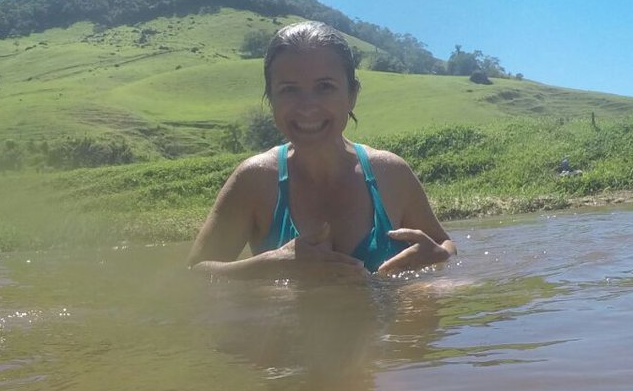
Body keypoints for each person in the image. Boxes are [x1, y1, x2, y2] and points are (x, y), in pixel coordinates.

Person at [189, 21, 456, 279]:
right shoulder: (255, 180)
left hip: (386, 326)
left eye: (324, 87)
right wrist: (269, 265)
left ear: (351, 95)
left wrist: (439, 256)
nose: (307, 106)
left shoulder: (390, 173)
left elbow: (444, 244)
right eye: (289, 90)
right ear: (271, 99)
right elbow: (194, 276)